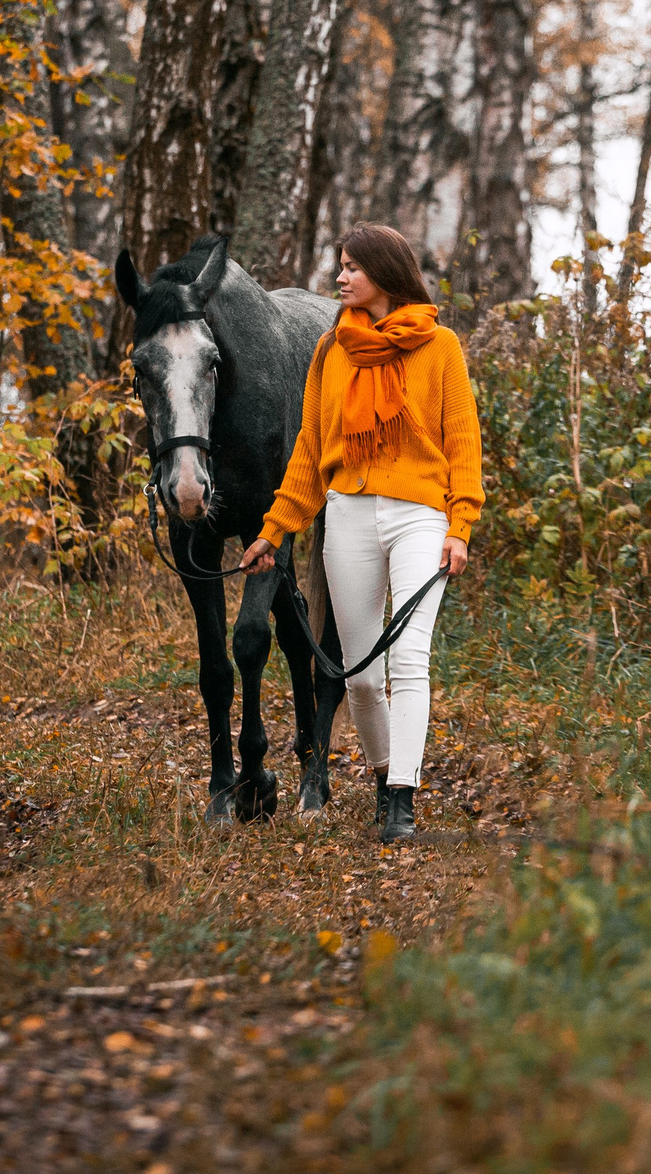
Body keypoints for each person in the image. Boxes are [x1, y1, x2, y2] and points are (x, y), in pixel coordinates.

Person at [242, 224, 482, 844]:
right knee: (359, 677)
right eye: (340, 267)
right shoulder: (332, 351)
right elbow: (310, 450)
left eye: (351, 267)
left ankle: (402, 796)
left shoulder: (440, 346)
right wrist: (275, 531)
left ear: (385, 272)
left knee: (407, 657)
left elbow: (462, 441)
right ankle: (382, 778)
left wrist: (460, 527)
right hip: (346, 514)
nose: (341, 278)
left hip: (420, 518)